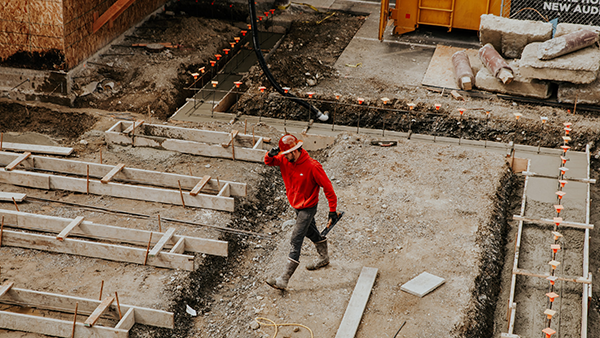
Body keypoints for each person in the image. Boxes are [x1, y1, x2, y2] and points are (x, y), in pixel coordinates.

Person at [264, 134, 339, 290]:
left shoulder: (312, 166)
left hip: (308, 208)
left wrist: (332, 210)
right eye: (282, 154)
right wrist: (270, 154)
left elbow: (328, 188)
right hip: (296, 205)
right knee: (310, 232)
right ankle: (324, 257)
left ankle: (283, 280)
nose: (283, 157)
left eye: (286, 154)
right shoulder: (285, 159)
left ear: (295, 150)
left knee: (296, 239)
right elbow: (269, 162)